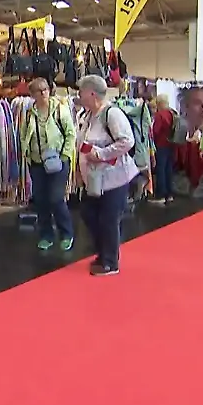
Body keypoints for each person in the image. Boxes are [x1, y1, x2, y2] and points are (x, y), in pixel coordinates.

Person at [75, 75, 137, 277]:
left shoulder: (112, 114)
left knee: (109, 219)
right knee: (90, 215)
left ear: (92, 93)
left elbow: (127, 141)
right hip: (94, 179)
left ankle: (110, 262)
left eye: (81, 91)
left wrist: (102, 154)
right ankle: (103, 254)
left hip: (114, 178)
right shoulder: (87, 116)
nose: (78, 95)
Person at [20, 77, 76, 251]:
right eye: (39, 90)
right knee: (41, 200)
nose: (44, 93)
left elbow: (70, 133)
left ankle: (66, 233)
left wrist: (64, 155)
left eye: (45, 89)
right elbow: (24, 134)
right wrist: (26, 154)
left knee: (56, 198)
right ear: (32, 94)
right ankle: (46, 235)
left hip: (58, 161)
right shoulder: (30, 113)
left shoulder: (60, 109)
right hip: (37, 162)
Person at [150, 93, 176, 205]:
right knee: (168, 169)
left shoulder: (160, 115)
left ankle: (161, 195)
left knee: (161, 169)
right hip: (171, 144)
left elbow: (156, 130)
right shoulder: (171, 113)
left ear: (159, 103)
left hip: (161, 144)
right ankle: (169, 194)